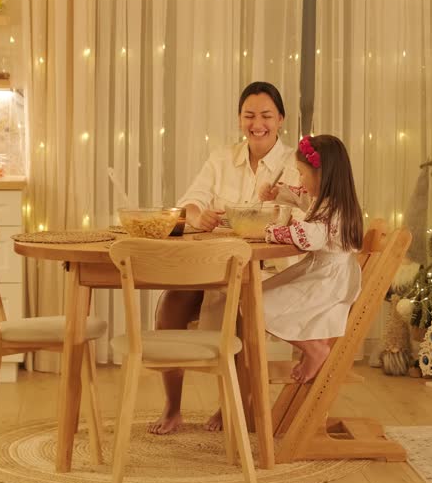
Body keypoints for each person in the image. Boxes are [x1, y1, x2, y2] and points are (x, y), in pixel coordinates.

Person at [149, 81, 300, 435]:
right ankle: (172, 407)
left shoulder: (294, 164)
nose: (257, 124)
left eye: (266, 116)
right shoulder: (221, 158)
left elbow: (300, 215)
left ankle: (233, 401)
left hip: (266, 269)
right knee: (171, 303)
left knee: (243, 307)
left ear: (280, 119)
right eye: (249, 115)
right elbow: (189, 203)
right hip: (214, 265)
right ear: (239, 119)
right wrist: (197, 215)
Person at [258, 135, 365, 383]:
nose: (300, 180)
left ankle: (314, 349)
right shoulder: (330, 201)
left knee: (258, 304)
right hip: (324, 272)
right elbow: (303, 197)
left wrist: (270, 230)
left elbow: (307, 236)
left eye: (302, 174)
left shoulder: (332, 211)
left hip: (326, 281)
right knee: (257, 296)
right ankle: (312, 348)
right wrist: (278, 193)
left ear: (322, 176)